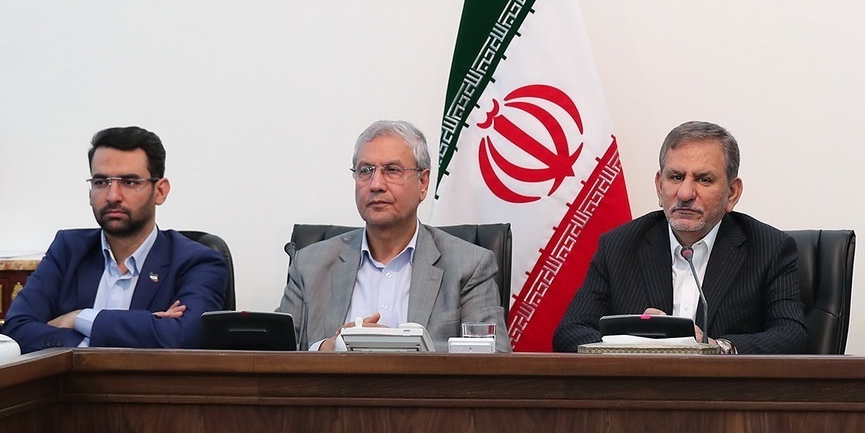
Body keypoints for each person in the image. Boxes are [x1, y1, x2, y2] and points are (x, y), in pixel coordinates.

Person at [553, 121, 807, 354]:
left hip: (720, 387)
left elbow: (791, 335)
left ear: (732, 193)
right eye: (676, 177)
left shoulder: (768, 248)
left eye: (703, 179)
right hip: (640, 386)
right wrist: (632, 346)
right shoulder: (620, 245)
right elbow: (570, 331)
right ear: (659, 185)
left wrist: (717, 348)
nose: (685, 193)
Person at [278, 120, 508, 351]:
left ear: (423, 183)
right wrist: (327, 348)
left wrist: (397, 346)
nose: (376, 184)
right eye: (365, 171)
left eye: (392, 170)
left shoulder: (469, 265)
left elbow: (493, 352)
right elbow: (276, 351)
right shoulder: (309, 265)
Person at [2, 127, 228, 353]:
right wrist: (145, 329)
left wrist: (79, 318)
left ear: (160, 191)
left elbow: (183, 337)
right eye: (101, 182)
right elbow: (15, 332)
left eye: (129, 182)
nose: (112, 196)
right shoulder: (68, 249)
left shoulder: (199, 261)